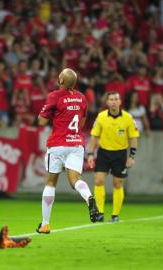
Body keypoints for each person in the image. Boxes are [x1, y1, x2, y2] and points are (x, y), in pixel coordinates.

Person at [36, 68, 99, 234]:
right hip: (76, 143)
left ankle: (45, 224)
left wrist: (51, 115)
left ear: (61, 81)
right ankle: (89, 198)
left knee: (50, 183)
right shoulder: (82, 98)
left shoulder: (54, 96)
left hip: (57, 143)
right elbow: (83, 121)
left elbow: (42, 121)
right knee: (75, 180)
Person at [87, 91, 140, 222]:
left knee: (118, 184)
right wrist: (90, 154)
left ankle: (115, 215)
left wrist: (132, 156)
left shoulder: (128, 118)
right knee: (98, 180)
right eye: (111, 99)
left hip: (120, 154)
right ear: (107, 102)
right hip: (104, 153)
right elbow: (94, 137)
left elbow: (133, 138)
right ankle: (99, 213)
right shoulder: (101, 117)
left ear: (120, 102)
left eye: (116, 99)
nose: (113, 102)